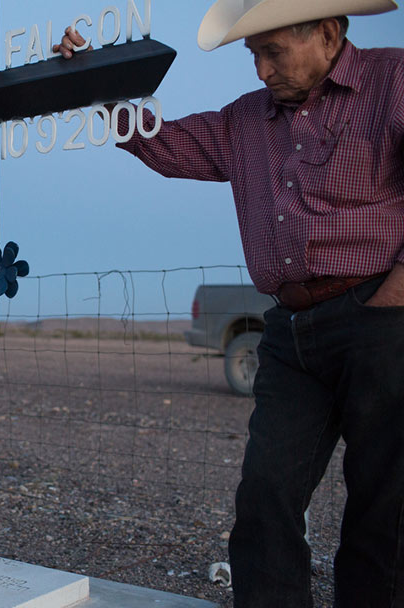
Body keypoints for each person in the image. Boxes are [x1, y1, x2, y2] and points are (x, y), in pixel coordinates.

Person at [56, 0, 403, 606]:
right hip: (290, 327)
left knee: (385, 500)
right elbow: (164, 146)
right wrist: (97, 86)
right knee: (267, 491)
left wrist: (399, 290)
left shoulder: (393, 80)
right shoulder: (246, 119)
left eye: (272, 52)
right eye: (253, 55)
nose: (261, 70)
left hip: (380, 318)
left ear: (326, 32)